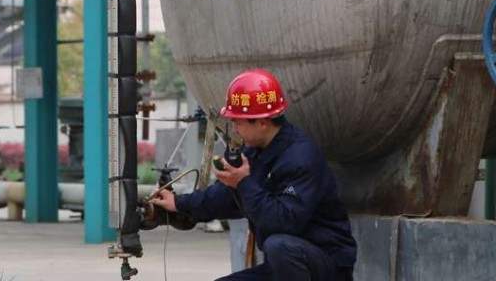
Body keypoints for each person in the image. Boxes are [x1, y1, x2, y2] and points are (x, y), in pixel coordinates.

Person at [149, 69, 357, 281]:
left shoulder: (300, 158)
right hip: (285, 267)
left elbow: (283, 222)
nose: (236, 130)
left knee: (279, 246)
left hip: (324, 267)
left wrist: (244, 183)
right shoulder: (256, 152)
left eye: (238, 122)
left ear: (262, 122)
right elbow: (223, 197)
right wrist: (178, 203)